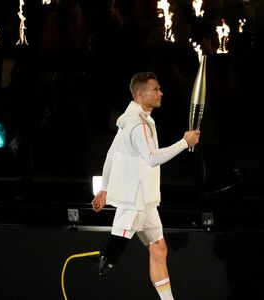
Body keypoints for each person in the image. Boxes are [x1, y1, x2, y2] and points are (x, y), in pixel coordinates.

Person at [91, 72, 199, 300]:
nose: (161, 93)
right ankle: (105, 258)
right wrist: (184, 142)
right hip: (135, 196)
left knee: (159, 247)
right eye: (156, 89)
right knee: (117, 242)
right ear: (141, 94)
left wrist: (104, 188)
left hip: (146, 198)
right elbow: (151, 157)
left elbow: (113, 153)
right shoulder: (137, 123)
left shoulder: (133, 118)